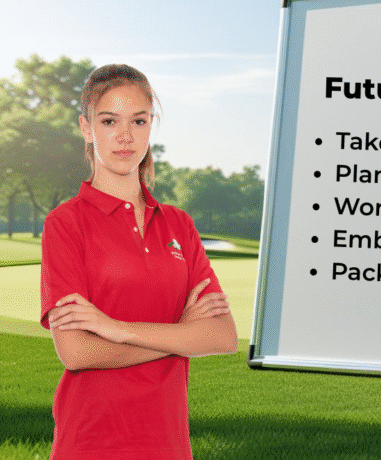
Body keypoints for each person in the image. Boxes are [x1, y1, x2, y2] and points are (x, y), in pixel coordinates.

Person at [39, 64, 238, 460]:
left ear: (152, 125)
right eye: (109, 120)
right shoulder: (65, 224)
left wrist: (115, 329)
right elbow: (77, 352)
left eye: (139, 120)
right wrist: (180, 335)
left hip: (169, 445)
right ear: (86, 126)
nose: (125, 135)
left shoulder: (179, 224)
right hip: (91, 443)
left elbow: (222, 337)